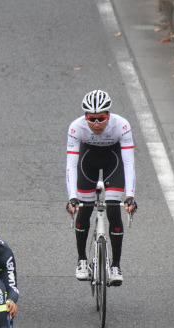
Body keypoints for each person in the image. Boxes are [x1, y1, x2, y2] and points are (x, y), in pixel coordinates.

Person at [66, 89, 137, 285]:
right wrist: (72, 197)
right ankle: (82, 260)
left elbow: (128, 162)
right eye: (91, 119)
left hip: (112, 161)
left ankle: (116, 265)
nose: (96, 124)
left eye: (101, 118)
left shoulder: (121, 125)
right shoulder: (76, 128)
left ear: (109, 115)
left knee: (114, 210)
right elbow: (71, 165)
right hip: (87, 161)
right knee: (83, 209)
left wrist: (130, 196)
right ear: (85, 116)